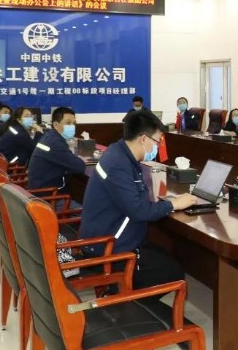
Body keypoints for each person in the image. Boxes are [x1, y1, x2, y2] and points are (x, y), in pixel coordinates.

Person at [80, 110, 197, 296]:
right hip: (108, 248)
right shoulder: (119, 164)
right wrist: (173, 204)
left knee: (165, 255)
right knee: (174, 273)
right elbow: (138, 211)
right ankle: (121, 302)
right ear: (144, 139)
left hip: (110, 236)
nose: (157, 147)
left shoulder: (119, 154)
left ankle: (123, 292)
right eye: (157, 141)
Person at [27, 107, 87, 196]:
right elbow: (80, 167)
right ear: (55, 124)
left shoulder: (49, 136)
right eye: (68, 123)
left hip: (39, 189)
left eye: (74, 123)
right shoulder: (55, 143)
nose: (72, 126)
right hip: (48, 196)